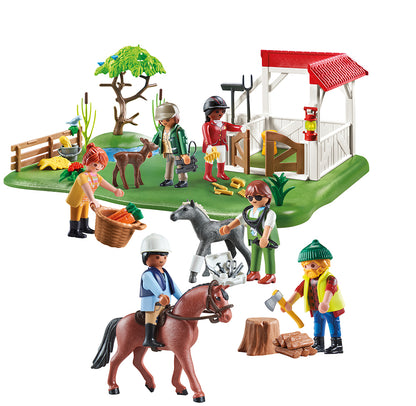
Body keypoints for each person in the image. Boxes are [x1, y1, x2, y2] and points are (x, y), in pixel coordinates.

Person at [283, 239, 345, 354]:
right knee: (318, 325)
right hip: (316, 307)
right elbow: (298, 291)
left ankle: (337, 344)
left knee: (333, 324)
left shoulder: (330, 278)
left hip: (330, 308)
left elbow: (330, 290)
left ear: (324, 264)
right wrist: (290, 302)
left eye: (313, 265)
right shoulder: (307, 280)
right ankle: (318, 343)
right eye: (306, 266)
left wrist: (325, 302)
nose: (309, 269)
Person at [219, 180, 279, 284]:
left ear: (267, 197)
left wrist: (265, 237)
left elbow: (268, 225)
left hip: (266, 239)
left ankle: (270, 275)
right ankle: (254, 272)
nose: (254, 200)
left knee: (268, 255)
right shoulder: (249, 211)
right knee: (255, 254)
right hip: (254, 237)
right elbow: (239, 220)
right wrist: (229, 227)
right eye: (250, 198)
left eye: (258, 197)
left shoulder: (269, 213)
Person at [66, 143, 124, 238]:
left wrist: (114, 190)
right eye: (95, 164)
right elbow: (87, 188)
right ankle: (74, 230)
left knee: (85, 212)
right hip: (77, 199)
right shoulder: (82, 176)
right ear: (87, 161)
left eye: (101, 165)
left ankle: (84, 227)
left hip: (86, 199)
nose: (98, 167)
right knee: (76, 213)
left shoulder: (96, 176)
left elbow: (104, 183)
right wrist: (92, 199)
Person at [140, 233, 182, 348]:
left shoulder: (165, 273)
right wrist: (160, 295)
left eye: (164, 257)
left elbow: (173, 287)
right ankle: (149, 339)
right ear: (146, 257)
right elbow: (153, 286)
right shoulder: (147, 274)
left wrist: (182, 298)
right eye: (158, 257)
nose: (162, 260)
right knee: (153, 316)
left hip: (165, 303)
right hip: (153, 303)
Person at [202, 96, 245, 182]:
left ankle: (221, 173)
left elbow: (232, 127)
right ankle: (207, 174)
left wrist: (240, 128)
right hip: (212, 146)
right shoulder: (207, 125)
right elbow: (206, 136)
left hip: (222, 145)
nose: (220, 114)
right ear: (208, 112)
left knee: (222, 159)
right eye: (217, 111)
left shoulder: (223, 124)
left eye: (222, 111)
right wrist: (209, 144)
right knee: (210, 160)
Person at [152, 102, 190, 188]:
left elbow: (183, 142)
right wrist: (150, 149)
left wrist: (184, 154)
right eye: (162, 120)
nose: (164, 122)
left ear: (175, 118)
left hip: (177, 152)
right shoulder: (161, 130)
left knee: (180, 166)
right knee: (168, 165)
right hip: (168, 151)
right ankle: (168, 179)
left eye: (167, 120)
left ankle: (183, 180)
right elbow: (155, 140)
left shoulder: (178, 130)